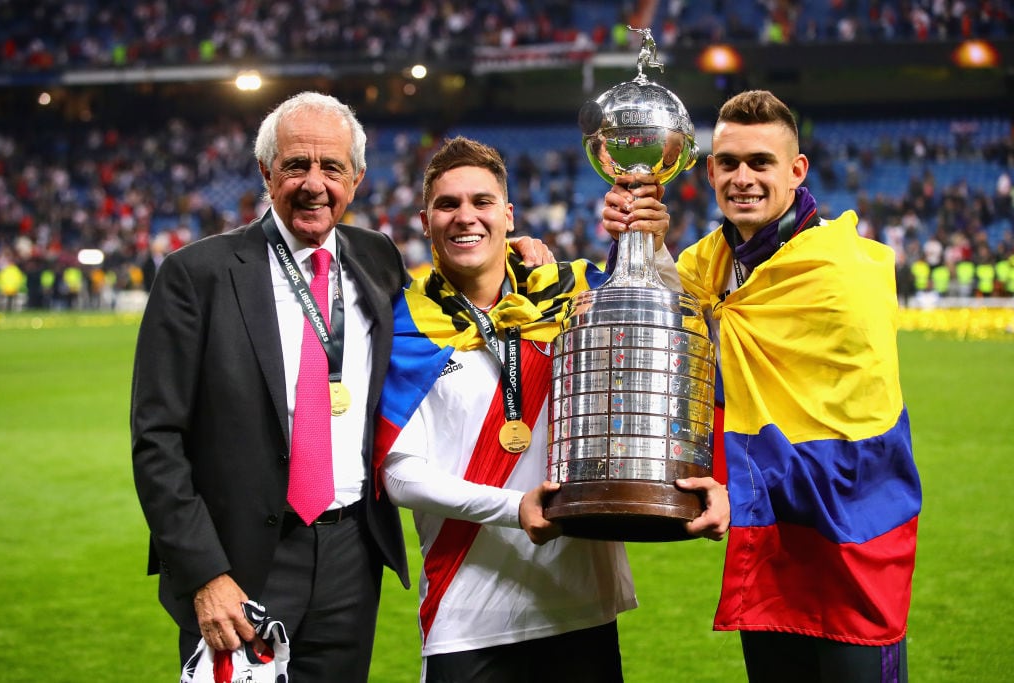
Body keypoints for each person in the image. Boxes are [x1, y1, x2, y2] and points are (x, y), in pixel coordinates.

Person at [130, 92, 549, 682]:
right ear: (265, 173)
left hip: (352, 554)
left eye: (331, 167)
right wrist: (204, 574)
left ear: (356, 177)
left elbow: (460, 296)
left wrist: (521, 256)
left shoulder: (376, 260)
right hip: (242, 560)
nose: (314, 184)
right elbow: (157, 440)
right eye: (296, 165)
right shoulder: (196, 276)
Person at [373, 136, 729, 682]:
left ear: (508, 214)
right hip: (467, 618)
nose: (466, 216)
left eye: (482, 201)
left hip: (582, 603)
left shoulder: (568, 293)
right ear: (424, 220)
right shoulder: (406, 325)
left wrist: (645, 239)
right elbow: (399, 476)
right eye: (448, 205)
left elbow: (660, 331)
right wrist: (515, 508)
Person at [674, 90, 921, 682]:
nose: (743, 178)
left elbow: (861, 446)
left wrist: (742, 495)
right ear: (709, 172)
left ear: (796, 170)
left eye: (761, 162)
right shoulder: (701, 267)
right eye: (729, 163)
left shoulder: (841, 274)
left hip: (850, 543)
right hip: (767, 545)